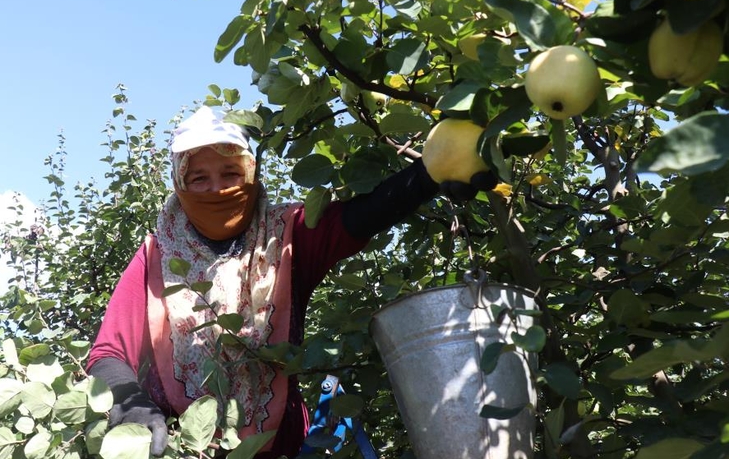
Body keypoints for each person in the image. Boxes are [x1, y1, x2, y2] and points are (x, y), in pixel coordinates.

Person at [86, 106, 496, 458]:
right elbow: (109, 350)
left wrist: (429, 175)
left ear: (251, 173)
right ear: (180, 182)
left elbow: (361, 217)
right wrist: (129, 398)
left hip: (280, 445)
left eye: (231, 172)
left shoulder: (286, 234)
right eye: (199, 179)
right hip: (175, 443)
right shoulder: (156, 256)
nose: (217, 189)